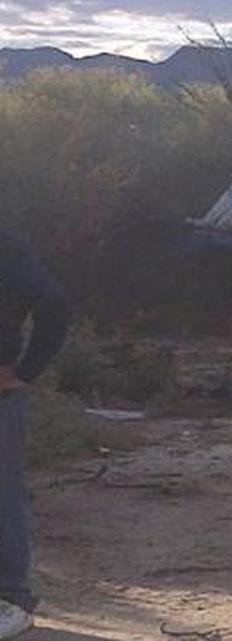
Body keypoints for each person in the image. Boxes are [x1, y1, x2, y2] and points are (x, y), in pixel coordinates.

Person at [0, 232, 72, 639]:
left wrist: (26, 371)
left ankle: (11, 600)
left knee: (2, 496)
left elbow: (55, 305)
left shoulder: (7, 247)